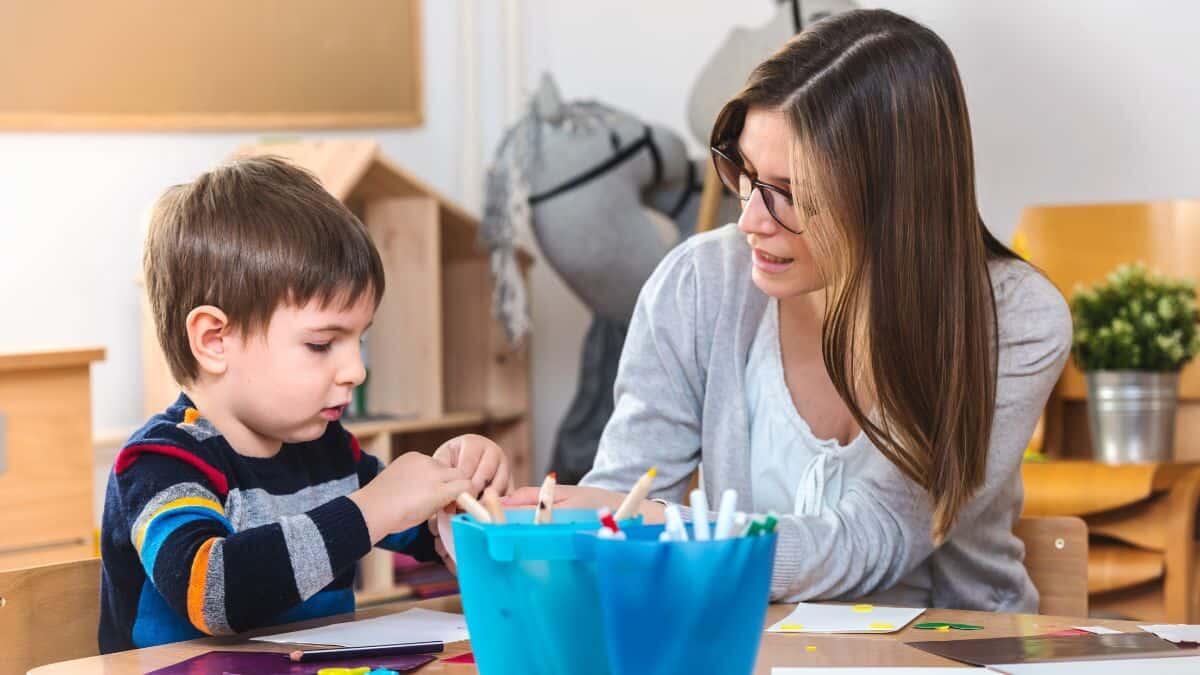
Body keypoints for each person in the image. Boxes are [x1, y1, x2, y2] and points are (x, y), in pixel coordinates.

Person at [505, 9, 1070, 612]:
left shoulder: (1012, 320)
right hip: (749, 647)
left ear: (895, 198)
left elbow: (878, 536)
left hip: (958, 649)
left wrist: (679, 535)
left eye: (792, 194)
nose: (749, 219)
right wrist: (552, 526)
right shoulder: (699, 282)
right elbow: (624, 498)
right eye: (745, 173)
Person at [99, 157, 509, 652]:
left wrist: (455, 496)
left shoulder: (328, 451)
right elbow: (212, 592)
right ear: (215, 341)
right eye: (321, 344)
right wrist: (374, 507)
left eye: (360, 340)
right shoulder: (160, 461)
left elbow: (420, 532)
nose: (356, 370)